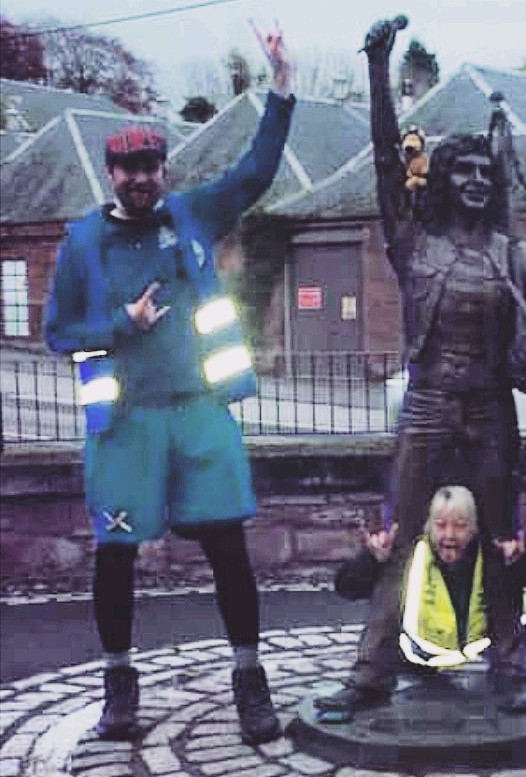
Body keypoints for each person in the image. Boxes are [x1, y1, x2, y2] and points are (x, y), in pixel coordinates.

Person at [43, 25, 295, 745]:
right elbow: (58, 332)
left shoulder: (192, 215)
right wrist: (120, 324)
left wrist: (281, 86)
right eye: (128, 169)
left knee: (228, 553)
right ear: (110, 176)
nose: (141, 177)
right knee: (116, 558)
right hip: (125, 428)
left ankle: (251, 682)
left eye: (151, 165)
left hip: (200, 416)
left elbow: (256, 171)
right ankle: (120, 690)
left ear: (164, 169)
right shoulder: (80, 242)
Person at [314, 18, 526, 719]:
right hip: (426, 403)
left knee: (504, 538)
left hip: (490, 406)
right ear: (445, 181)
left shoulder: (512, 255)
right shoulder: (413, 245)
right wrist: (377, 71)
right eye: (465, 171)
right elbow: (389, 163)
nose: (477, 181)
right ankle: (370, 672)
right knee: (394, 540)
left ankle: (507, 664)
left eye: (487, 172)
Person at [334, 486, 526, 695]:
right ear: (428, 527)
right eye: (440, 525)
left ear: (475, 528)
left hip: (490, 647)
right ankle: (367, 683)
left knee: (506, 576)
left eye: (460, 526)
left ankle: (513, 678)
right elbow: (346, 588)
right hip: (418, 657)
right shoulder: (409, 555)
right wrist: (372, 560)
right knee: (389, 581)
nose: (449, 535)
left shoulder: (496, 552)